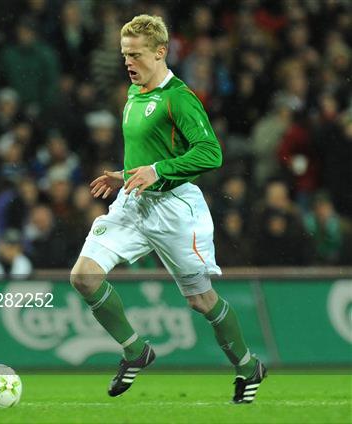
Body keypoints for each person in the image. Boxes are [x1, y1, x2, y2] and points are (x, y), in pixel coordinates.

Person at [69, 15, 266, 403]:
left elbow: (211, 153)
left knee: (201, 301)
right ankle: (135, 350)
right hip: (133, 201)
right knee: (83, 277)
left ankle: (247, 366)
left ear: (160, 52)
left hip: (176, 209)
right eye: (124, 54)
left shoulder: (179, 97)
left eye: (136, 54)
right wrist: (124, 175)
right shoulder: (134, 93)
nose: (128, 62)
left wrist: (156, 171)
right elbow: (152, 151)